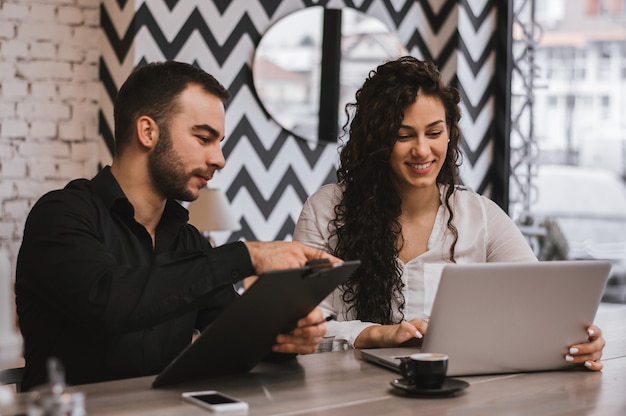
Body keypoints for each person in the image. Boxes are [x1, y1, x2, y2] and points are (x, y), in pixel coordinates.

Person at [15, 61, 338, 391]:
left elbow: (233, 336)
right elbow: (107, 302)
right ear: (148, 132)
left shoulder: (187, 240)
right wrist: (246, 255)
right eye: (203, 138)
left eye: (219, 142)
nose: (219, 159)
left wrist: (284, 338)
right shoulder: (60, 215)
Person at [293, 56, 605, 370]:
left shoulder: (480, 216)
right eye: (404, 136)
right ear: (377, 141)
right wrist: (378, 334)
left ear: (449, 134)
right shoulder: (326, 210)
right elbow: (302, 332)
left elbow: (542, 309)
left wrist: (579, 341)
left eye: (433, 133)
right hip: (348, 396)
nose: (422, 150)